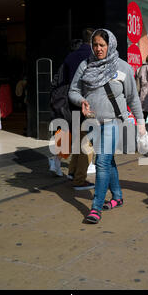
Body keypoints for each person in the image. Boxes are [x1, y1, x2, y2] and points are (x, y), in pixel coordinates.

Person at [69, 29, 145, 224]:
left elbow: (133, 98)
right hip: (93, 122)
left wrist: (141, 122)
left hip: (115, 122)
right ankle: (117, 196)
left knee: (101, 162)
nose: (98, 48)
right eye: (95, 45)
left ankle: (95, 208)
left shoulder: (124, 68)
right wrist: (81, 101)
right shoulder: (85, 65)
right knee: (108, 161)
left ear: (110, 44)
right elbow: (73, 90)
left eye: (102, 45)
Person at [63, 28, 96, 190]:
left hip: (72, 103)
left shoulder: (71, 56)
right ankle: (79, 179)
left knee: (78, 140)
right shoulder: (92, 57)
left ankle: (72, 171)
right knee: (86, 144)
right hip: (87, 105)